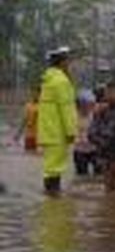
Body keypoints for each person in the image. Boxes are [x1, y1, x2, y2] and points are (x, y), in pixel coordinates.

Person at [37, 47, 78, 196]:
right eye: (68, 60)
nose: (70, 64)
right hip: (58, 132)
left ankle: (50, 199)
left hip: (48, 131)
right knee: (55, 169)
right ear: (62, 62)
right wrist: (71, 131)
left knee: (50, 167)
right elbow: (66, 108)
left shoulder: (47, 80)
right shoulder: (61, 81)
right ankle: (53, 198)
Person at [73, 90, 99, 176]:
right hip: (79, 150)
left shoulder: (96, 115)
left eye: (91, 104)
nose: (88, 106)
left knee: (99, 174)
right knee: (82, 176)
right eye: (86, 103)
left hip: (95, 149)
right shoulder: (73, 116)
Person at [14, 87, 40, 152]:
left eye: (37, 93)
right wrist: (18, 134)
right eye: (33, 93)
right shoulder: (28, 106)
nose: (34, 95)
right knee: (29, 154)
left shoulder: (44, 106)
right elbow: (24, 120)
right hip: (29, 136)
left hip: (40, 136)